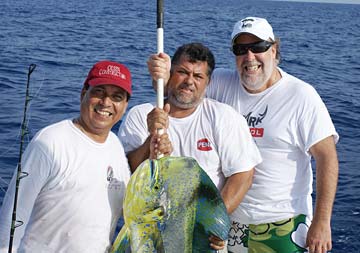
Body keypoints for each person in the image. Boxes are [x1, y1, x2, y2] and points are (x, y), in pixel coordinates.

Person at [148, 18, 339, 253]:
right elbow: (183, 91)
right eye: (240, 50)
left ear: (274, 49)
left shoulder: (301, 96)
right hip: (230, 225)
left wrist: (322, 222)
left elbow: (327, 157)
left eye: (258, 47)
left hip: (282, 224)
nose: (249, 57)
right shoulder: (221, 83)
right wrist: (161, 75)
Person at [118, 42, 262, 251]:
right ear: (169, 75)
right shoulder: (141, 115)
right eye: (182, 72)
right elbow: (128, 173)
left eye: (198, 76)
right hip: (150, 235)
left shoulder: (223, 117)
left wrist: (211, 222)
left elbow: (243, 175)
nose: (189, 81)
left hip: (201, 239)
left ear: (208, 82)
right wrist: (150, 142)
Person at [0, 60, 133, 253]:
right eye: (99, 92)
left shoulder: (114, 145)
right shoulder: (50, 142)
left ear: (125, 105)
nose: (106, 103)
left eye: (116, 96)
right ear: (83, 93)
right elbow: (12, 215)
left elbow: (130, 206)